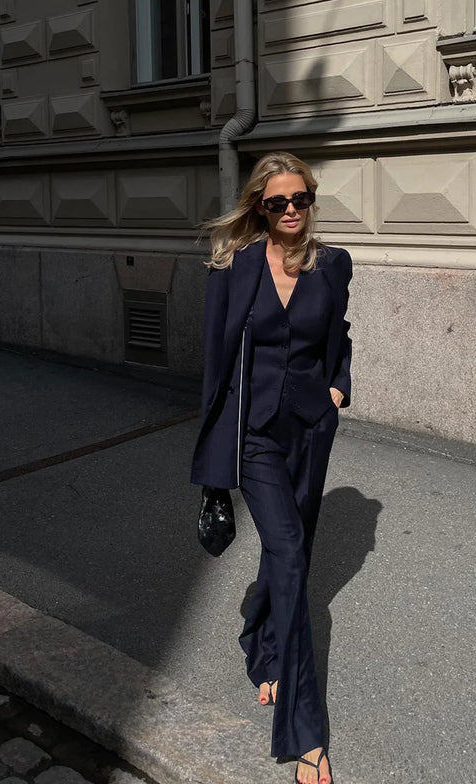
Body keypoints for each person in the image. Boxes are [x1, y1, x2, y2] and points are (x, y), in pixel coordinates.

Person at [191, 151, 353, 784]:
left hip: (311, 430)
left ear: (311, 200)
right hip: (254, 434)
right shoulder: (234, 268)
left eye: (299, 199)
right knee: (287, 553)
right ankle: (305, 730)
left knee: (293, 550)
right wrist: (213, 462)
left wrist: (337, 390)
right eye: (277, 201)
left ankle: (261, 640)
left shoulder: (332, 264)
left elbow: (339, 334)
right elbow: (215, 361)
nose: (290, 210)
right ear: (259, 206)